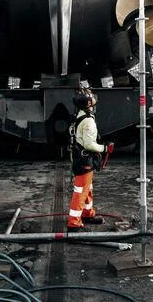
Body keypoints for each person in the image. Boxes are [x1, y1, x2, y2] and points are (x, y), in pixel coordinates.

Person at [66, 87, 114, 232]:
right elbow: (89, 144)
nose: (93, 98)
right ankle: (74, 223)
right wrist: (105, 149)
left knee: (88, 189)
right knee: (81, 191)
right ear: (88, 103)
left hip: (82, 159)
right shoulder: (88, 121)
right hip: (85, 161)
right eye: (91, 97)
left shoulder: (80, 115)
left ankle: (87, 214)